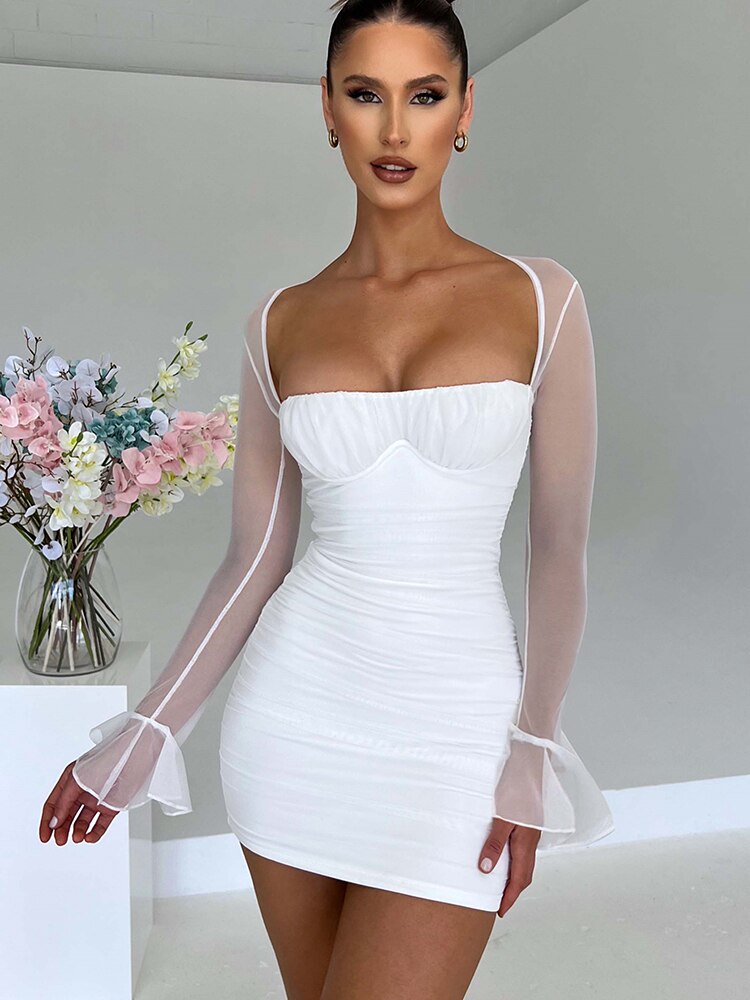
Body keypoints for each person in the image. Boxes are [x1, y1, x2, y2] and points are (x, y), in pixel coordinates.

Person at [39, 1, 614, 996]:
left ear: (465, 108)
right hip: (294, 723)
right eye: (365, 94)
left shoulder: (541, 298)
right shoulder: (280, 320)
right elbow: (255, 558)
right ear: (328, 108)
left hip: (459, 730)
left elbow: (558, 551)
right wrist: (149, 730)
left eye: (424, 96)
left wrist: (532, 744)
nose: (394, 130)